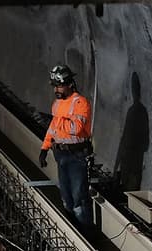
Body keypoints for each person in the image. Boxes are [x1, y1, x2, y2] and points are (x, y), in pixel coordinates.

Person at [39, 64, 94, 228]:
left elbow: (75, 129)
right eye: (55, 86)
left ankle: (86, 235)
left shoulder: (80, 103)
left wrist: (56, 120)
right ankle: (74, 231)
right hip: (61, 156)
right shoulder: (57, 104)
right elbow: (53, 129)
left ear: (70, 84)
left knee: (79, 200)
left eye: (60, 86)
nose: (57, 90)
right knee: (66, 199)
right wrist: (45, 147)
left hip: (76, 157)